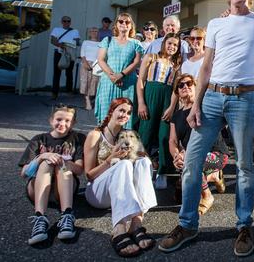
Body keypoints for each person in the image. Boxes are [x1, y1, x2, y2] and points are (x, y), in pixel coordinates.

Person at [158, 0, 254, 257]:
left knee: (245, 166)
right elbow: (207, 66)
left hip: (244, 99)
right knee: (191, 163)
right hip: (211, 97)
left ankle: (244, 225)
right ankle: (187, 224)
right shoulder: (216, 25)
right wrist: (195, 103)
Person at [84, 98, 157, 258]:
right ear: (112, 111)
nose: (125, 115)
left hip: (119, 193)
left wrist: (140, 155)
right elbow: (88, 174)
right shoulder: (96, 135)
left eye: (129, 112)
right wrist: (110, 159)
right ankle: (119, 229)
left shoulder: (127, 135)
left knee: (143, 162)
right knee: (122, 165)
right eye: (122, 110)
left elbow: (148, 165)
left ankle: (136, 224)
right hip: (97, 192)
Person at [18, 105, 84, 245]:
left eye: (67, 121)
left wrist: (62, 160)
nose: (62, 124)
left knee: (61, 164)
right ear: (50, 120)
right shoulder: (39, 139)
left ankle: (67, 215)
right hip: (38, 189)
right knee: (46, 162)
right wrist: (43, 156)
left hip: (64, 190)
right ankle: (39, 218)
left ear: (73, 123)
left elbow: (79, 170)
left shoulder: (78, 139)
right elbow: (24, 173)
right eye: (59, 119)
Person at [169, 74, 229, 215]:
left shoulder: (204, 107)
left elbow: (202, 137)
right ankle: (214, 176)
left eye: (189, 83)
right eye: (181, 85)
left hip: (215, 153)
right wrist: (176, 156)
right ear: (177, 92)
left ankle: (207, 196)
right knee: (179, 194)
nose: (185, 87)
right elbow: (172, 141)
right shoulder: (176, 116)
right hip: (190, 156)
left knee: (191, 165)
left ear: (196, 87)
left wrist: (185, 155)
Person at [137, 33, 181, 190]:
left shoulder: (176, 64)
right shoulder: (151, 57)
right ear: (164, 43)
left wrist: (171, 107)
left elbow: (176, 88)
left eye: (175, 45)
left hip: (166, 100)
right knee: (145, 133)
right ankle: (142, 170)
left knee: (164, 135)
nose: (172, 47)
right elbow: (141, 80)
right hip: (150, 97)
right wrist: (141, 103)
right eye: (170, 43)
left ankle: (163, 171)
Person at [94, 13, 144, 128]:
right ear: (116, 24)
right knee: (107, 113)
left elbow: (136, 62)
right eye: (121, 21)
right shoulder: (108, 40)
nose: (124, 24)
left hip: (128, 82)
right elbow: (101, 60)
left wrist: (121, 75)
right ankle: (105, 143)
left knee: (126, 115)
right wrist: (113, 76)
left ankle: (124, 143)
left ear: (131, 26)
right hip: (108, 81)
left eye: (127, 22)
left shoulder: (136, 43)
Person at [50, 16, 80, 100]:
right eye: (64, 21)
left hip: (70, 53)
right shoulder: (56, 29)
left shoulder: (75, 31)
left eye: (68, 21)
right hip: (59, 53)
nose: (66, 22)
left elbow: (77, 42)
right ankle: (54, 93)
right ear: (61, 22)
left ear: (70, 22)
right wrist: (61, 45)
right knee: (57, 73)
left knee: (69, 73)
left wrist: (75, 42)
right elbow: (52, 40)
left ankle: (69, 91)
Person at [79, 27, 101, 110]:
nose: (94, 32)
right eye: (92, 31)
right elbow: (82, 53)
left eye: (96, 31)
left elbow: (101, 55)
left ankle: (93, 98)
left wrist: (96, 64)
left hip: (96, 64)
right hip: (86, 63)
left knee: (94, 82)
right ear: (89, 33)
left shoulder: (101, 43)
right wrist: (85, 63)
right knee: (85, 81)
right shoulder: (85, 42)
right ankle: (87, 100)